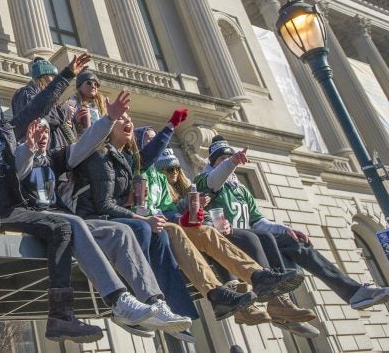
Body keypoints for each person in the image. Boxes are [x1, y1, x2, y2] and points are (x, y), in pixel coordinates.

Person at [0, 6, 167, 343]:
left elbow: (38, 107)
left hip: (12, 207)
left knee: (61, 226)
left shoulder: (8, 129)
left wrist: (65, 76)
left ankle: (61, 314)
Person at [72, 110, 304, 322]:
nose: (158, 146)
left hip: (161, 223)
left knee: (204, 230)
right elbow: (118, 198)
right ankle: (216, 292)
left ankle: (257, 276)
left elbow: (168, 209)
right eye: (149, 139)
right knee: (175, 230)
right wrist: (169, 127)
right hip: (136, 225)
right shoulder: (130, 166)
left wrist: (187, 214)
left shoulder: (159, 178)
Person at [16, 118, 193, 340]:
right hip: (36, 218)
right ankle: (118, 300)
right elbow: (19, 169)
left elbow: (83, 145)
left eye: (46, 132)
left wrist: (108, 119)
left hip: (66, 219)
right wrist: (28, 148)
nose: (43, 136)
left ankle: (154, 301)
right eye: (37, 131)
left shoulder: (53, 158)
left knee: (122, 232)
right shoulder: (18, 155)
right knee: (88, 223)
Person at [196, 135, 389, 311]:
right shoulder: (204, 180)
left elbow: (259, 222)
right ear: (213, 164)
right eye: (220, 160)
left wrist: (285, 229)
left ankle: (353, 292)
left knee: (294, 242)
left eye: (227, 159)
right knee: (262, 237)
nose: (226, 164)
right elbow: (214, 181)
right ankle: (278, 291)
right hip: (230, 243)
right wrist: (231, 161)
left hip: (253, 240)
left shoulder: (242, 191)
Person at [156, 148, 320, 338]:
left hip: (201, 229)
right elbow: (172, 212)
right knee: (231, 237)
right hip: (180, 233)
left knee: (263, 237)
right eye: (168, 170)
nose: (174, 173)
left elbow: (205, 217)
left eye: (176, 168)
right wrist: (191, 207)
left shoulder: (192, 188)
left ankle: (275, 297)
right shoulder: (192, 182)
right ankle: (252, 303)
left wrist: (205, 214)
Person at [12, 57, 75, 150]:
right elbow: (38, 116)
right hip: (43, 151)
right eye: (52, 76)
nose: (55, 80)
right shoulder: (27, 92)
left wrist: (70, 124)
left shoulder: (53, 100)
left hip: (58, 149)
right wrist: (64, 110)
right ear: (42, 76)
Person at [62, 70, 106, 137]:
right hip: (82, 141)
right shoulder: (71, 103)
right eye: (89, 83)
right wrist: (76, 122)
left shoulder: (102, 105)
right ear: (80, 85)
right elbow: (65, 127)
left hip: (100, 141)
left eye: (96, 84)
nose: (93, 86)